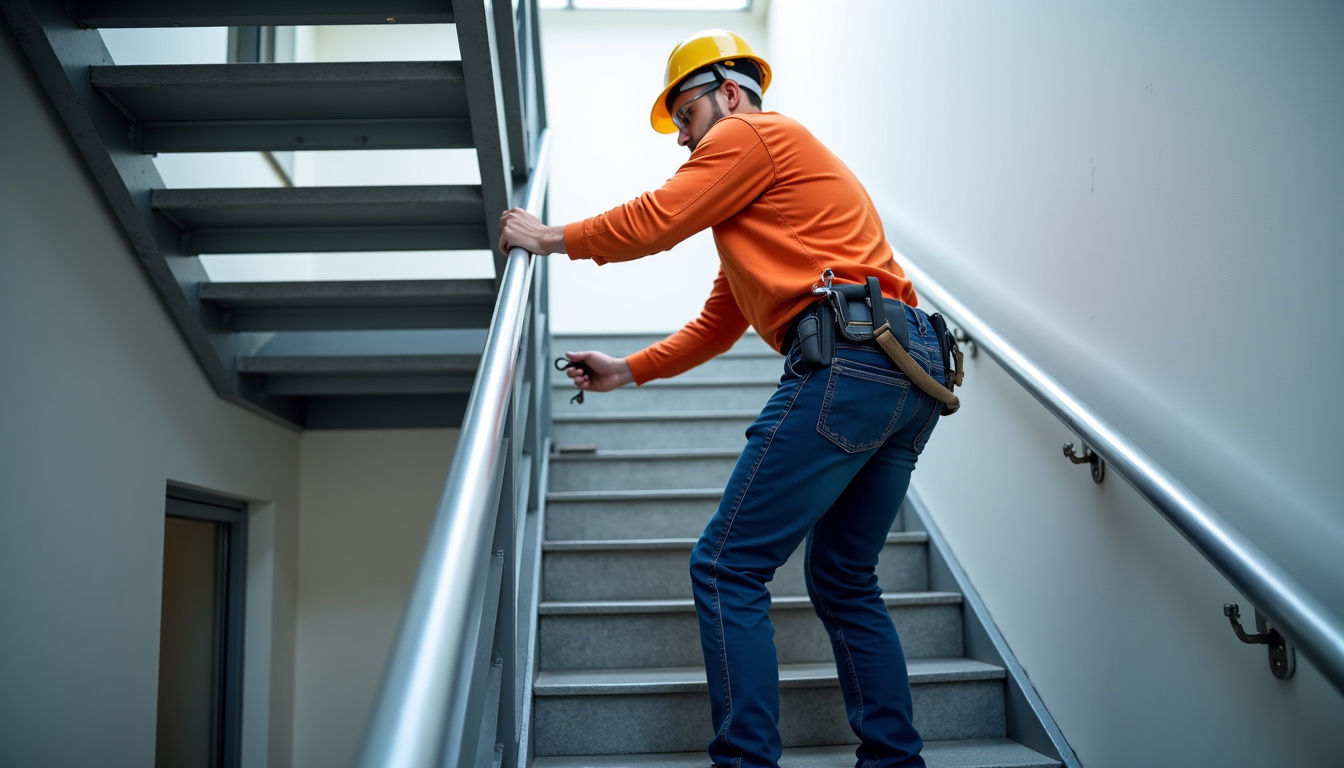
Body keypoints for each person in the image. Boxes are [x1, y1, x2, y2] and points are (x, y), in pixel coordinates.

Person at [498, 29, 947, 768]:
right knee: (843, 576)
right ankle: (895, 762)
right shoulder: (763, 207)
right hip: (906, 372)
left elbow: (656, 219)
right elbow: (720, 320)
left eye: (686, 114)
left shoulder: (752, 136)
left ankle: (746, 762)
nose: (682, 140)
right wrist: (628, 369)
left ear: (729, 93)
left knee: (725, 565)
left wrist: (548, 237)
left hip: (851, 363)